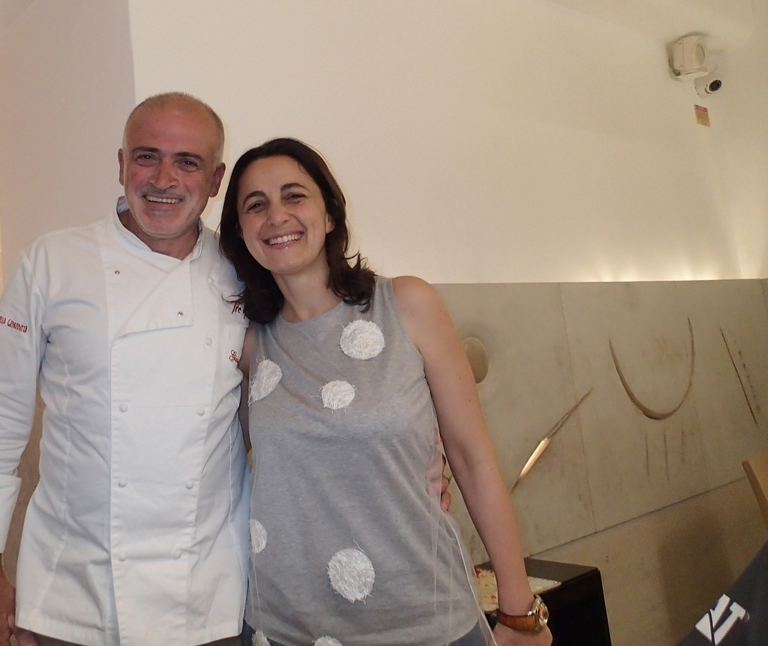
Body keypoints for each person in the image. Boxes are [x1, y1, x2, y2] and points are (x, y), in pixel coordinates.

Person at [218, 138, 552, 646]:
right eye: (255, 205)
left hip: (422, 618)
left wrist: (519, 609)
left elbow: (472, 457)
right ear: (241, 233)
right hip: (285, 625)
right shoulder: (248, 344)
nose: (276, 216)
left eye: (294, 196)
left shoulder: (406, 305)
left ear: (329, 214)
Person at [0, 93, 252, 646]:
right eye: (146, 156)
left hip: (208, 596)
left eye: (187, 162)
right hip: (73, 594)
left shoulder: (245, 272)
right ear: (120, 164)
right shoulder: (52, 261)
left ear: (215, 180)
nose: (163, 178)